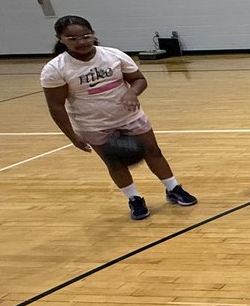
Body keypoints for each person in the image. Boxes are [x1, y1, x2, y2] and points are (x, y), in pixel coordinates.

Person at [41, 15, 199, 221]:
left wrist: (132, 92)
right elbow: (56, 105)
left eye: (86, 36)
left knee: (153, 152)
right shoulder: (55, 69)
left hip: (129, 116)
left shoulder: (113, 55)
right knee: (115, 163)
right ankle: (134, 198)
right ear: (60, 39)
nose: (81, 43)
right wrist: (72, 135)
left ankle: (173, 188)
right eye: (72, 39)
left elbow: (139, 80)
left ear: (93, 34)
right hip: (93, 124)